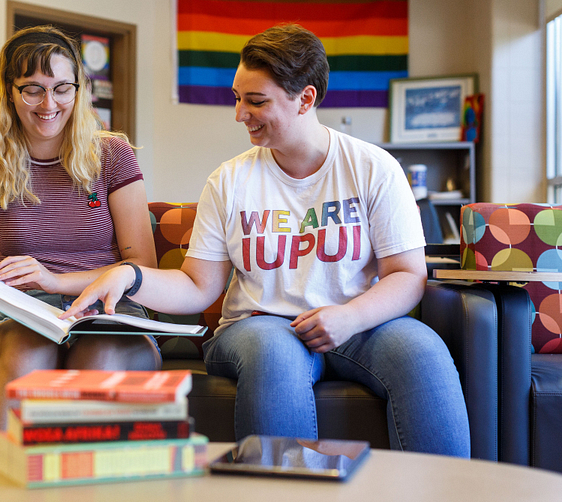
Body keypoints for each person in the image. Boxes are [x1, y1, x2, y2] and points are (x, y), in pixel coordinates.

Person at [61, 24, 470, 457]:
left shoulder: (374, 168)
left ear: (305, 99)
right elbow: (199, 286)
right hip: (258, 326)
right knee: (277, 352)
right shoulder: (230, 179)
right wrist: (129, 275)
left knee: (424, 352)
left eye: (256, 101)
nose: (240, 114)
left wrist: (350, 317)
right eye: (237, 98)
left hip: (358, 323)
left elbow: (407, 275)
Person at [0, 25, 160, 449]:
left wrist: (56, 280)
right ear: (9, 92)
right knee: (31, 348)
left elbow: (144, 269)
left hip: (108, 313)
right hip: (23, 318)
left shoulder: (113, 156)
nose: (50, 104)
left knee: (98, 356)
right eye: (32, 90)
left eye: (63, 89)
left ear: (79, 91)